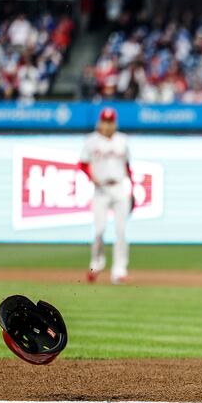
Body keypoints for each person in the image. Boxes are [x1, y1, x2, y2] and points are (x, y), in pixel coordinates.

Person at [79, 108, 134, 285]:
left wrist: (131, 187)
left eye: (110, 121)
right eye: (105, 121)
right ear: (100, 122)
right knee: (99, 231)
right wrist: (91, 177)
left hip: (119, 187)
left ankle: (119, 271)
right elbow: (82, 163)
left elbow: (127, 165)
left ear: (115, 123)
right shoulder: (91, 141)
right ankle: (96, 264)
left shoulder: (122, 140)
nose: (108, 125)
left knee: (121, 231)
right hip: (101, 189)